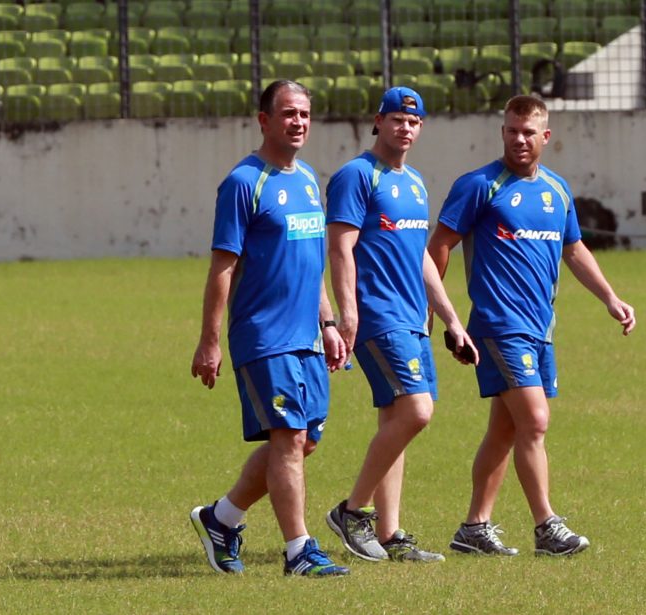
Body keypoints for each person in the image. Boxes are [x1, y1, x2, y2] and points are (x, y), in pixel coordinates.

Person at [427, 94, 636, 557]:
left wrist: (610, 297)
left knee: (506, 430)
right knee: (536, 422)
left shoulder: (557, 191)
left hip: (541, 329)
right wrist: (437, 312)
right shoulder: (479, 185)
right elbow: (438, 245)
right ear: (502, 132)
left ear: (545, 137)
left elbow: (574, 250)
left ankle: (474, 529)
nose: (518, 139)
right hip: (499, 325)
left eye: (528, 132)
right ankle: (547, 527)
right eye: (510, 131)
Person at [188, 80, 349, 577]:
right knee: (288, 435)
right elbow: (223, 267)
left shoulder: (305, 180)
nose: (297, 122)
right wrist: (210, 341)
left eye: (304, 113)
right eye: (286, 113)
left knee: (305, 441)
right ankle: (299, 550)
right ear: (264, 120)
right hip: (263, 335)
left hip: (306, 336)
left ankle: (222, 518)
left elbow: (311, 262)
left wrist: (327, 321)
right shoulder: (243, 182)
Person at [324, 86, 478, 563]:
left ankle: (390, 535)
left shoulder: (414, 184)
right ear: (379, 121)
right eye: (396, 119)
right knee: (417, 411)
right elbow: (340, 248)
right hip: (377, 315)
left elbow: (423, 260)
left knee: (398, 420)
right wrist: (347, 312)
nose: (405, 128)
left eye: (413, 122)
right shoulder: (356, 176)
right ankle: (352, 512)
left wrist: (451, 319)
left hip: (414, 319)